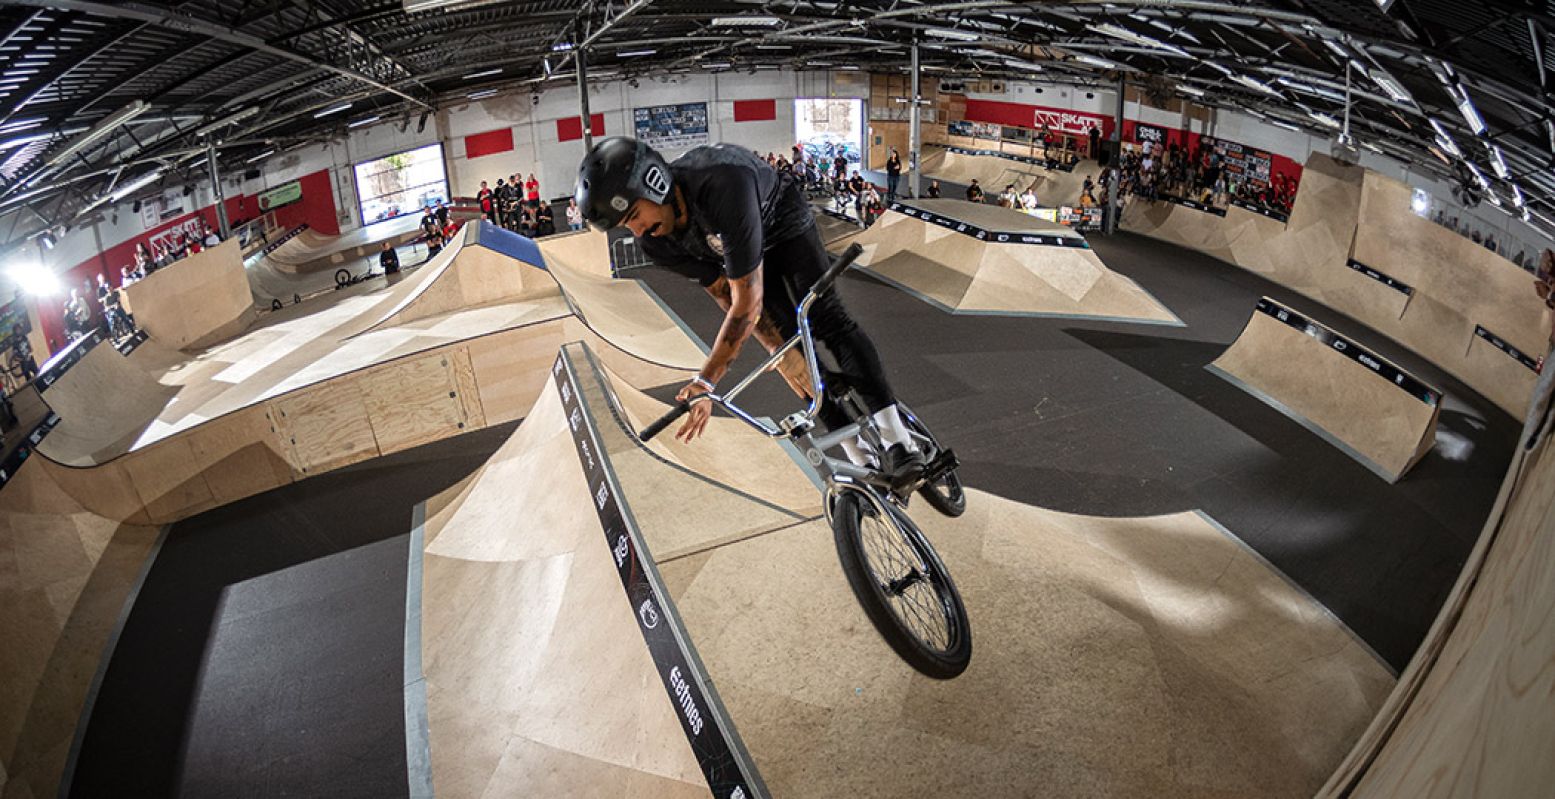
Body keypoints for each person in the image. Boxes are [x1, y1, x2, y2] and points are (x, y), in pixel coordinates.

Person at [575, 137, 928, 481]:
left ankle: (897, 439)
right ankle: (857, 452)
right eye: (627, 225)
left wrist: (706, 382)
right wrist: (778, 350)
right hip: (739, 257)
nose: (638, 230)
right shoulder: (656, 244)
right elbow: (724, 293)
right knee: (793, 355)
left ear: (656, 184)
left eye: (635, 215)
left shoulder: (721, 183)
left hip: (782, 222)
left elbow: (748, 302)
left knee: (826, 318)